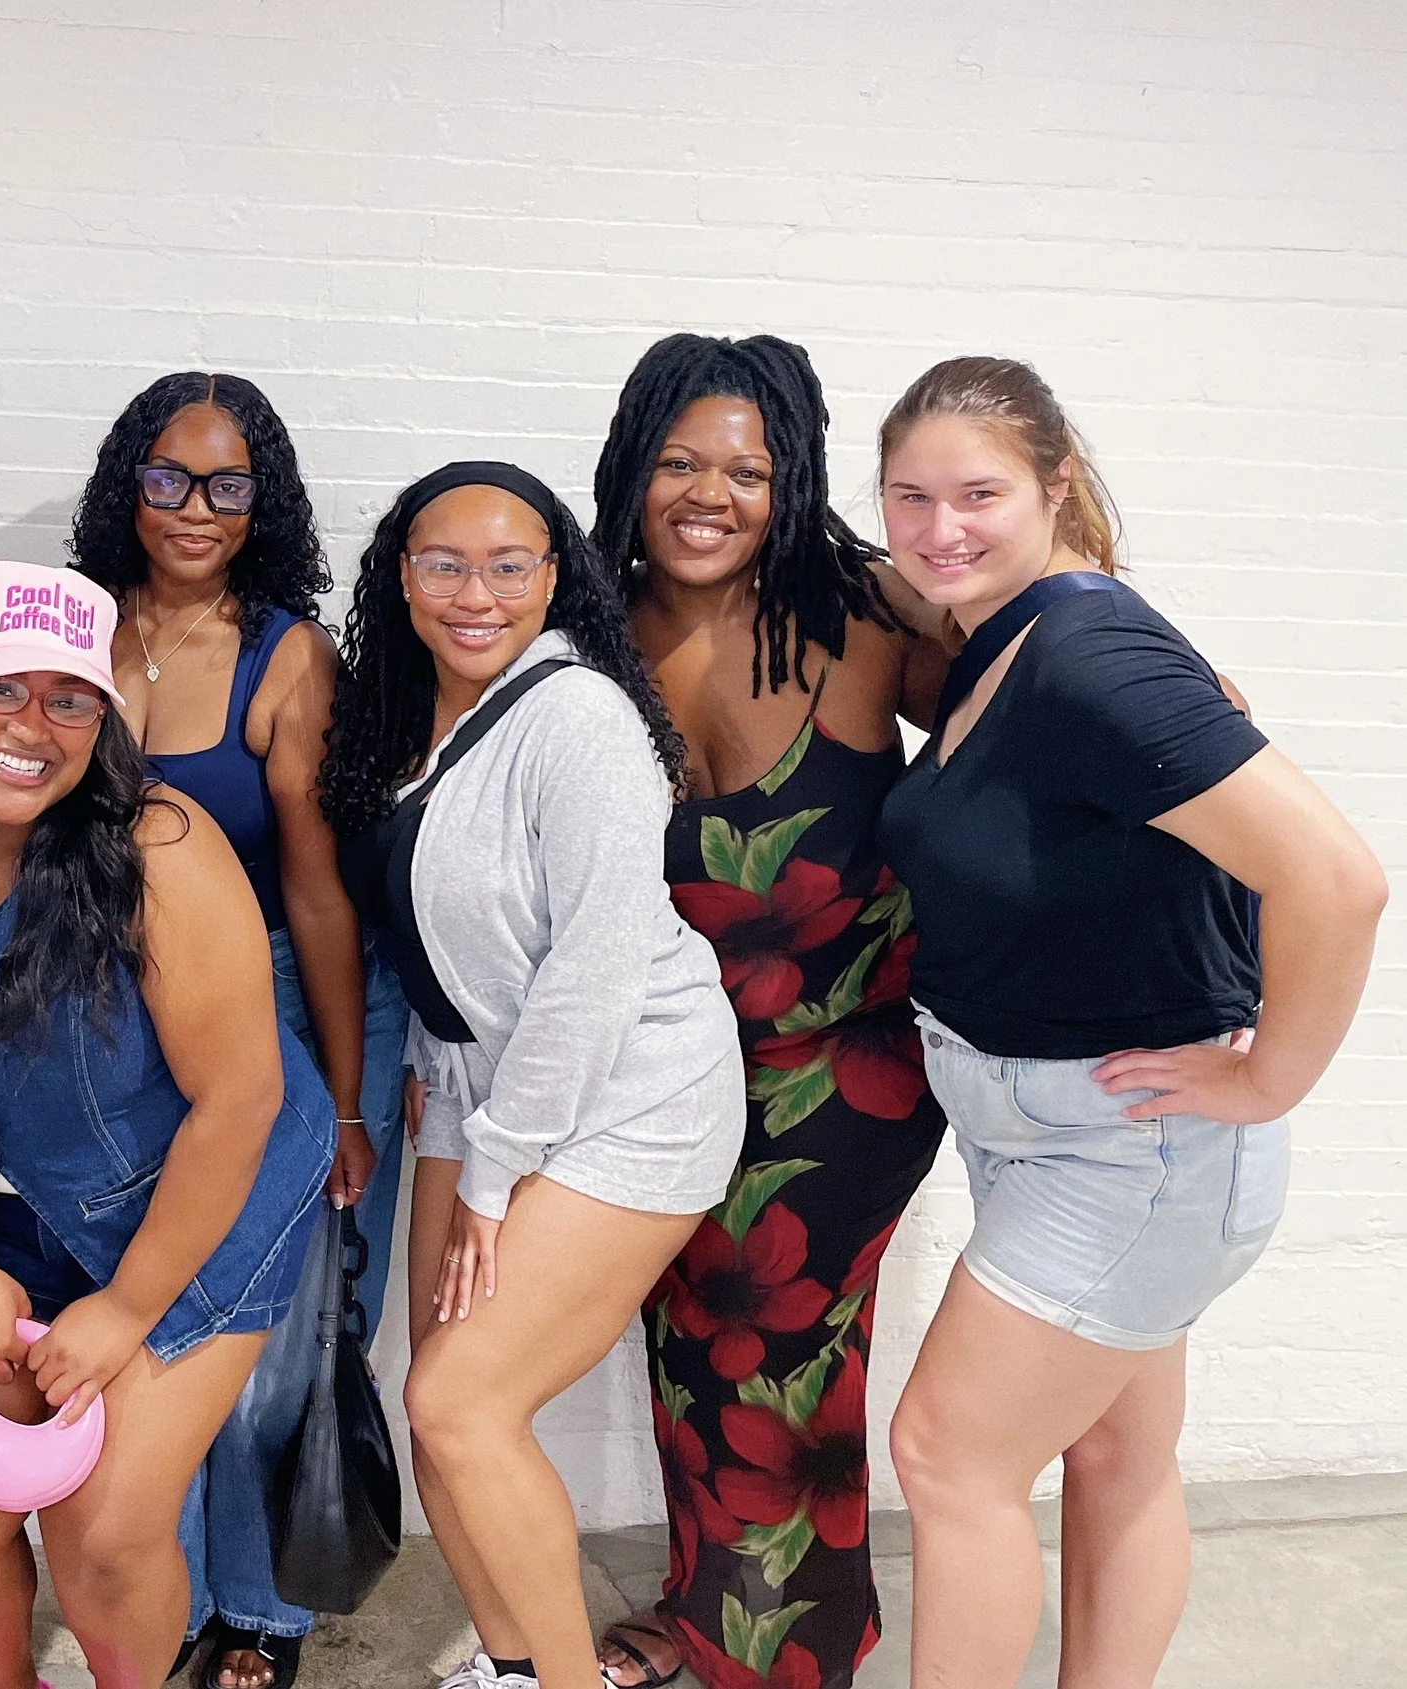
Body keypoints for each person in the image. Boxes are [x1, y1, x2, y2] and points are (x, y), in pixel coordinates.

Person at [872, 358, 1384, 1688]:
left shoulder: (1087, 652)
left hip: (1130, 1148)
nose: (941, 529)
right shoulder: (998, 642)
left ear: (1055, 486)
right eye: (909, 497)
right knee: (1111, 1452)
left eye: (979, 493)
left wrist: (1271, 1077)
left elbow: (1337, 880)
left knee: (946, 1455)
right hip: (1040, 1127)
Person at [0, 561, 334, 1689]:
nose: (29, 725)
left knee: (107, 1538)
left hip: (187, 1202)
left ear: (103, 717)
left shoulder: (159, 850)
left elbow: (240, 1102)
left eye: (68, 697)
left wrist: (129, 1308)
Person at [318, 463, 744, 1689]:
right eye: (443, 564)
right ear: (400, 577)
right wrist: (441, 1074)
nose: (475, 592)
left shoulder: (580, 720)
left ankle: (565, 1682)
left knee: (461, 1402)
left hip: (627, 1097)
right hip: (478, 1094)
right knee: (440, 1418)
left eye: (510, 566)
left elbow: (595, 969)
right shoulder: (422, 717)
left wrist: (497, 1170)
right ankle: (510, 1669)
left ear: (556, 577)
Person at [581, 334, 953, 1689]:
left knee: (767, 1361)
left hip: (838, 1083)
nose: (709, 493)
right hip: (663, 1084)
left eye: (748, 468)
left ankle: (776, 1661)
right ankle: (718, 1615)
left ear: (790, 482)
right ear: (633, 466)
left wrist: (1176, 718)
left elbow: (1028, 695)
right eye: (680, 461)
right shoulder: (588, 625)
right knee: (688, 1354)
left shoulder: (859, 609)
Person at [70, 371, 406, 1689]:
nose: (194, 508)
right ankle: (183, 1595)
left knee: (269, 1325)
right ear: (127, 488)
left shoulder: (289, 654)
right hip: (118, 1003)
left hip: (277, 990)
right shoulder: (76, 632)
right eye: (167, 478)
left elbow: (318, 887)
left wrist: (346, 1094)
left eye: (226, 483)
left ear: (262, 500)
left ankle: (261, 1617)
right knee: (169, 1308)